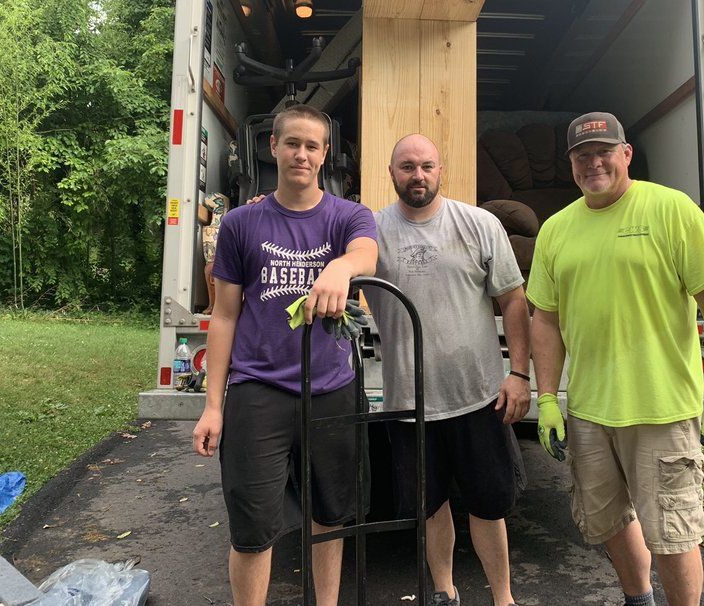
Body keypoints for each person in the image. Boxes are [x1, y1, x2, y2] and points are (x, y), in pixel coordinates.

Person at [527, 112, 704, 606]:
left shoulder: (672, 209)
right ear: (571, 166)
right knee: (605, 520)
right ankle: (637, 599)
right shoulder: (557, 230)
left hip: (660, 408)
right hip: (588, 409)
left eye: (604, 151)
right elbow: (544, 319)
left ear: (626, 154)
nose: (593, 163)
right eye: (582, 156)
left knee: (672, 533)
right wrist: (545, 399)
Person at [191, 105, 378, 606]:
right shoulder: (241, 224)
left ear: (325, 154)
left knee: (330, 516)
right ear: (272, 148)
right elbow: (225, 316)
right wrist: (213, 406)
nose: (302, 154)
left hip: (332, 389)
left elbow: (366, 253)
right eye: (291, 143)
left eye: (312, 145)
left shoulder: (347, 216)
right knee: (252, 527)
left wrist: (340, 268)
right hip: (258, 392)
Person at [364, 134, 530, 606]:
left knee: (489, 506)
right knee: (430, 506)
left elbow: (513, 299)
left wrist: (519, 373)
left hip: (478, 396)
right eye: (407, 166)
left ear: (441, 171)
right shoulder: (369, 231)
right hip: (408, 402)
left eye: (427, 166)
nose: (418, 175)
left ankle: (503, 598)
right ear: (391, 173)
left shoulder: (479, 224)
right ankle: (444, 593)